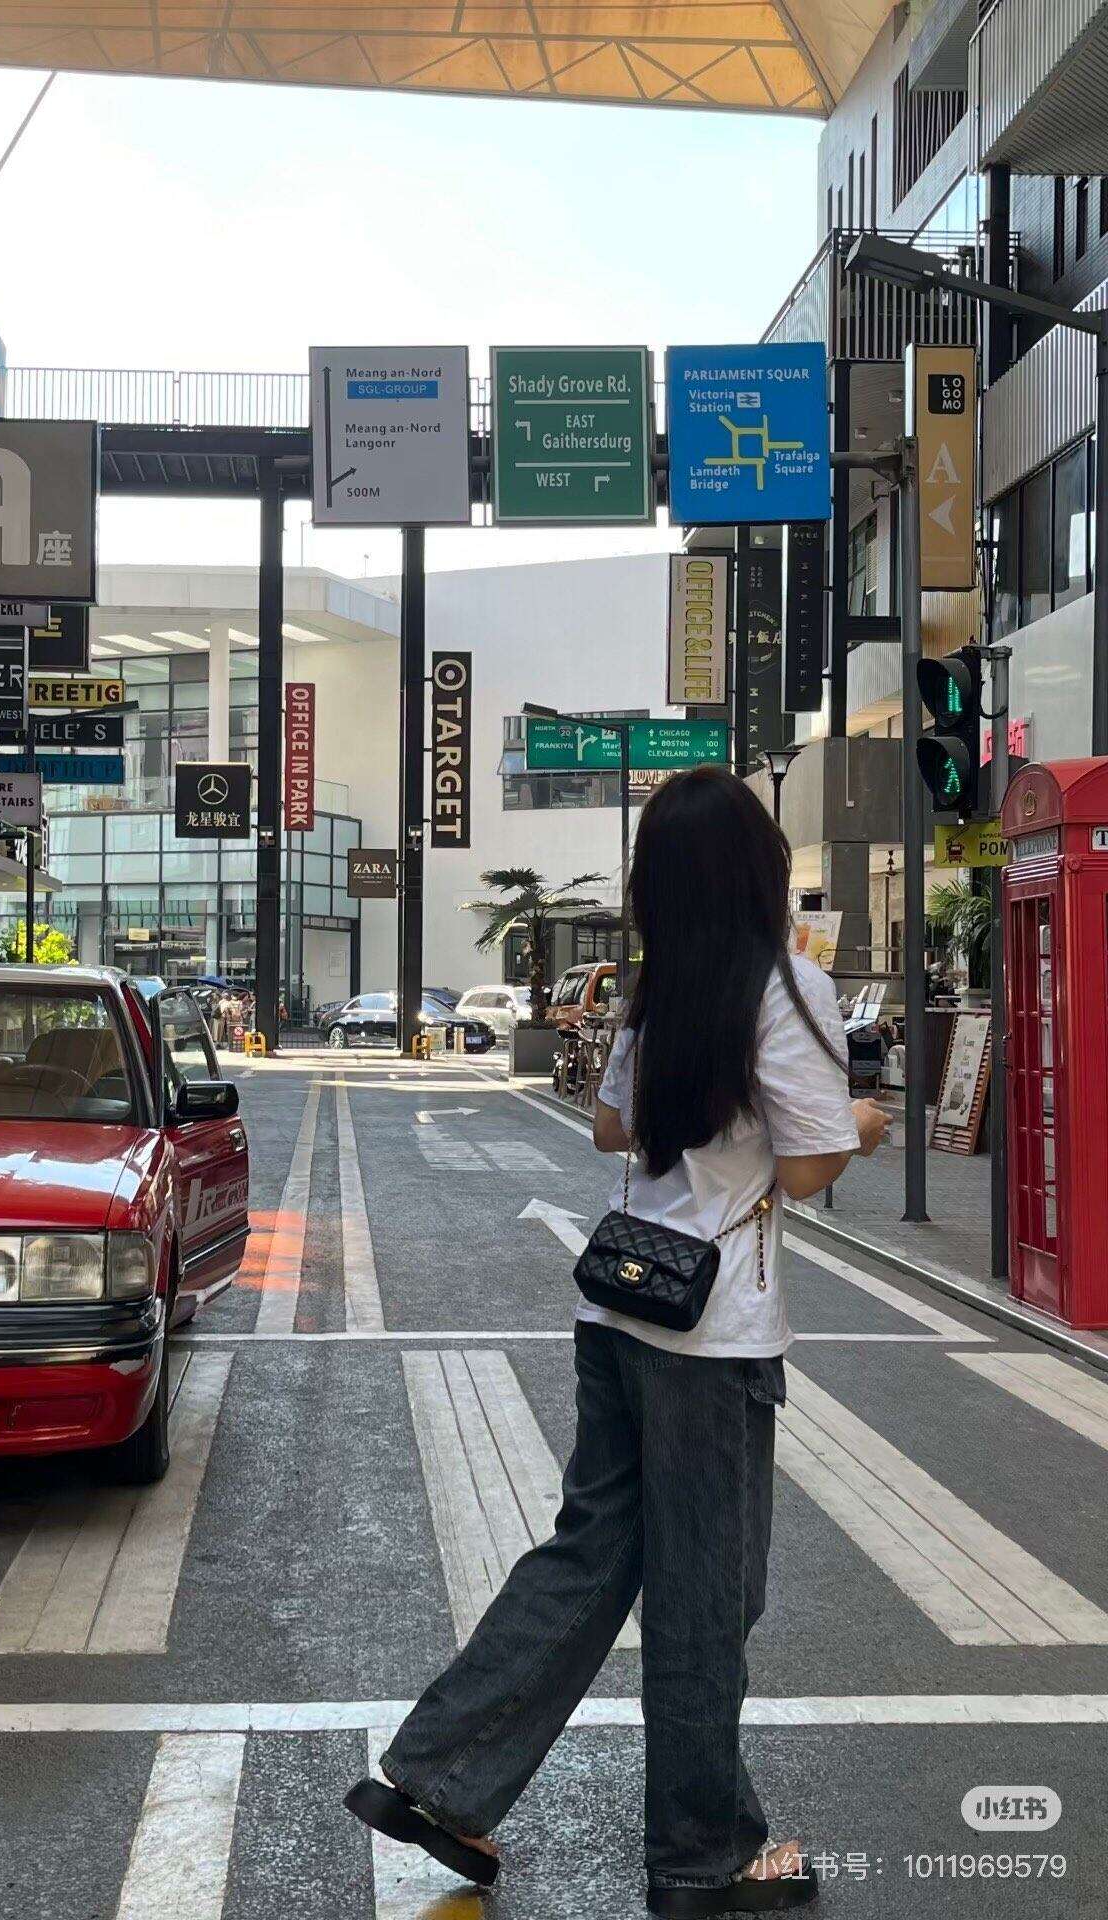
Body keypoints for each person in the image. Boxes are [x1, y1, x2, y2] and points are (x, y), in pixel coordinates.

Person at [345, 766, 889, 1914]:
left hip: (619, 1312)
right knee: (708, 1601)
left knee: (592, 1557)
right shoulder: (784, 985)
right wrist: (862, 1122)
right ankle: (703, 1856)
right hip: (709, 1339)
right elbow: (806, 1169)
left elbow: (607, 1126)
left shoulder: (657, 989)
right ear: (757, 870)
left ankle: (438, 1777)